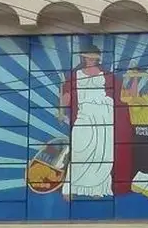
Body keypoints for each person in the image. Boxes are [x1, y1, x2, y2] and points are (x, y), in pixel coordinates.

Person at [55, 44, 134, 201]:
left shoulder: (107, 75)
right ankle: (70, 187)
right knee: (79, 150)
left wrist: (133, 80)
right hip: (85, 113)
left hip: (104, 114)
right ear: (83, 58)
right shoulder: (76, 75)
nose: (90, 60)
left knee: (102, 153)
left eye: (93, 58)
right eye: (87, 57)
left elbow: (123, 96)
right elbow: (67, 96)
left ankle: (96, 187)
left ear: (97, 59)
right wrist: (62, 108)